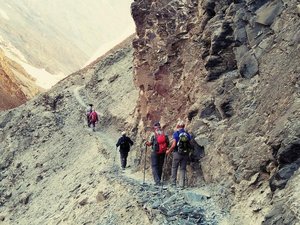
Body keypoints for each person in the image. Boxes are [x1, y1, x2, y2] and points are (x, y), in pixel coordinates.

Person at [166, 120, 192, 188]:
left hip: (177, 153)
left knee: (174, 168)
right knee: (182, 169)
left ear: (177, 126)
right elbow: (189, 143)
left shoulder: (176, 133)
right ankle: (181, 185)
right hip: (185, 153)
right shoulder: (187, 134)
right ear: (184, 126)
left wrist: (169, 151)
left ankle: (173, 183)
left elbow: (174, 144)